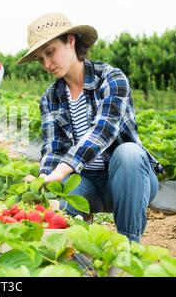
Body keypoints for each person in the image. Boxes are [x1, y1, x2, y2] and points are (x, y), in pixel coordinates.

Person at [19, 13, 164, 242]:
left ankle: (128, 248)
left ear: (71, 41)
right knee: (60, 202)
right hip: (87, 184)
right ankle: (78, 245)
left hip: (129, 180)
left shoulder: (111, 78)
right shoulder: (50, 98)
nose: (46, 64)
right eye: (40, 58)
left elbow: (104, 129)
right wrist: (43, 178)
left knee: (129, 152)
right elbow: (52, 148)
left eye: (50, 52)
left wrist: (64, 168)